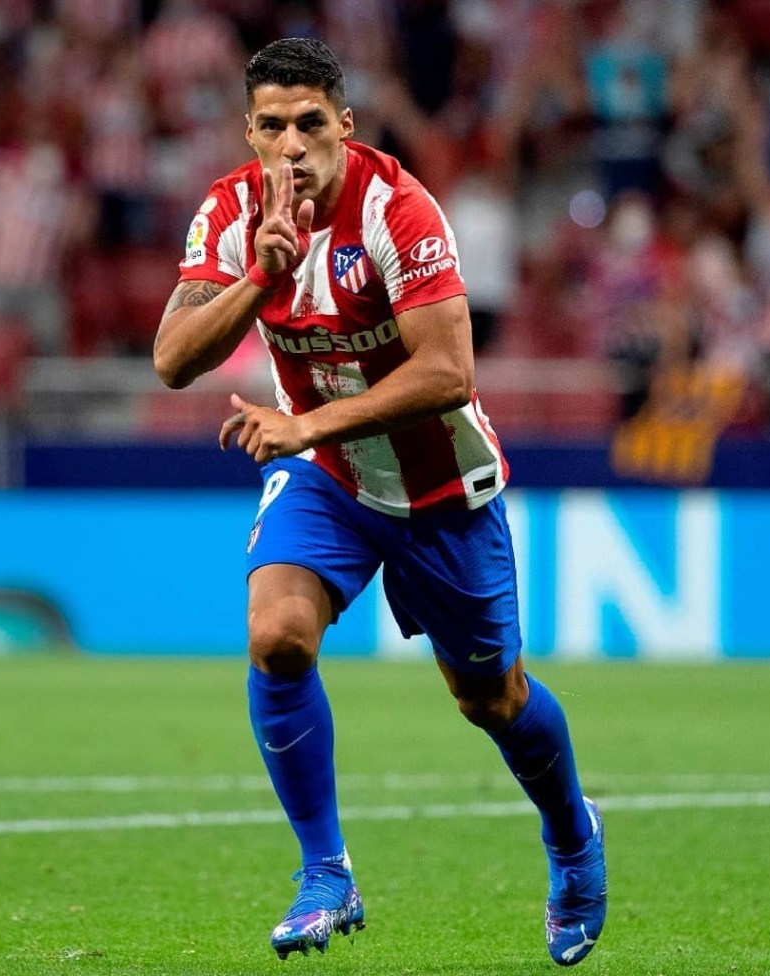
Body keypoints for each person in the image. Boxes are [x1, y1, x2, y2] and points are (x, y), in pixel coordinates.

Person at [153, 37, 606, 966]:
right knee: (278, 636)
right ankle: (326, 872)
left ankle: (572, 833)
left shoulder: (398, 209)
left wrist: (307, 424)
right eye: (271, 126)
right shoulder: (231, 213)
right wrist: (259, 281)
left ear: (345, 125)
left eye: (310, 124)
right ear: (249, 132)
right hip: (329, 476)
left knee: (491, 698)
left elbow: (449, 371)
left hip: (439, 487)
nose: (291, 145)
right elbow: (172, 359)